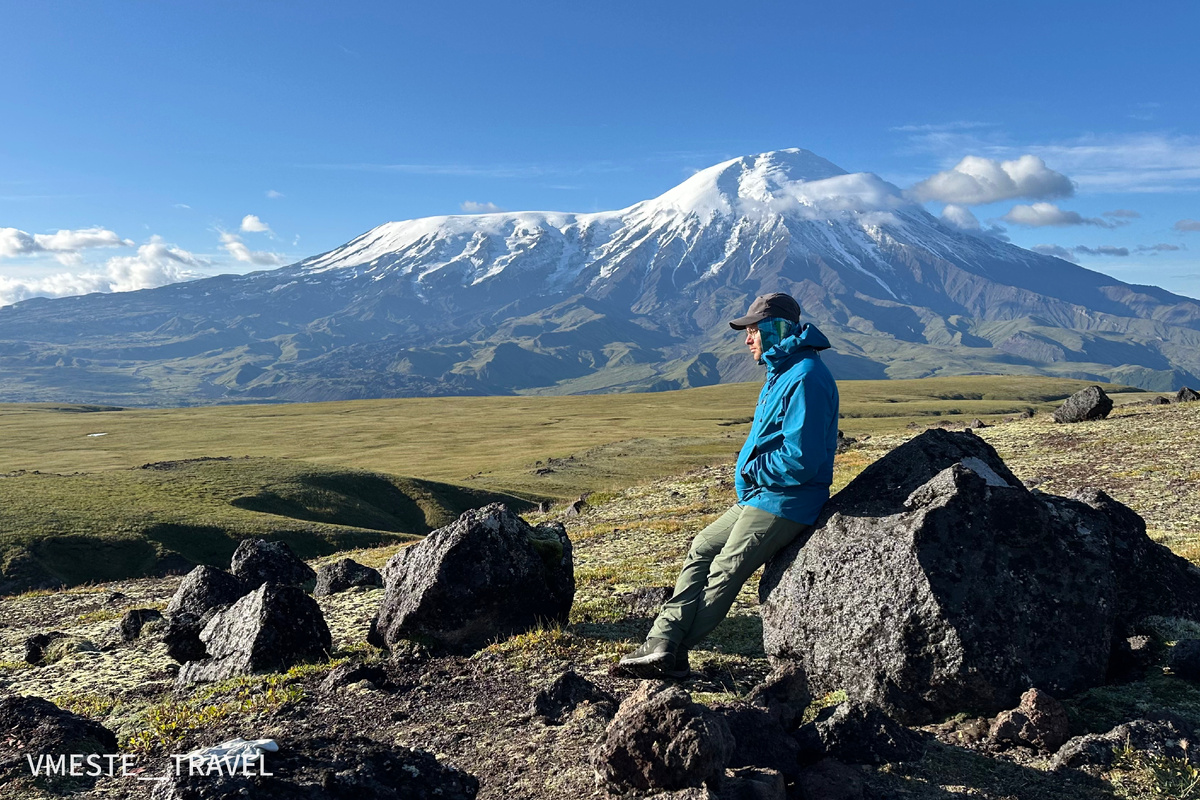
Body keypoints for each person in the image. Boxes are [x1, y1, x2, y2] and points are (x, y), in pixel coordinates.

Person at [618, 292, 840, 678]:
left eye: (753, 330)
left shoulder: (805, 376)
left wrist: (753, 469)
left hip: (786, 500)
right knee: (703, 544)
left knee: (726, 569)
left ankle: (671, 652)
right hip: (763, 494)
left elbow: (801, 461)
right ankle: (662, 640)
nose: (747, 339)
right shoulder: (783, 370)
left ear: (776, 330)